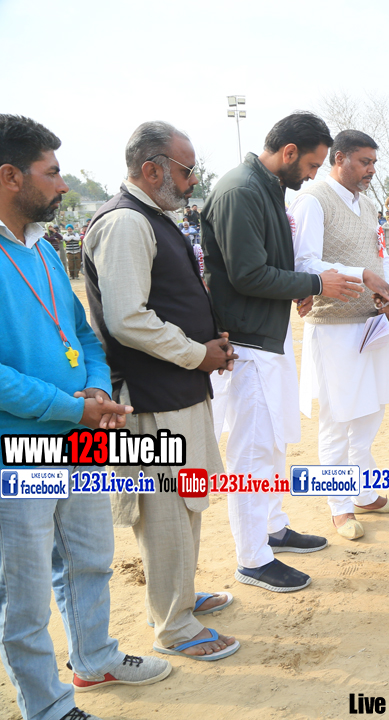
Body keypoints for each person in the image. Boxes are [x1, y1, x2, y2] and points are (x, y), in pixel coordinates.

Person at [0, 113, 172, 720]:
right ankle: (46, 706)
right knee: (23, 594)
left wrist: (95, 389)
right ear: (10, 177)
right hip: (18, 453)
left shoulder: (44, 249)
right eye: (51, 174)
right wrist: (71, 407)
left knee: (90, 558)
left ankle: (94, 657)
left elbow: (83, 335)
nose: (63, 184)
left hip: (79, 438)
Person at [83, 121, 240, 661]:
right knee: (167, 509)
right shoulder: (126, 221)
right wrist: (198, 352)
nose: (193, 180)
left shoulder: (151, 217)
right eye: (186, 169)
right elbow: (127, 319)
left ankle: (180, 597)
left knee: (186, 502)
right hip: (152, 398)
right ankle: (174, 626)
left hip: (178, 389)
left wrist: (206, 344)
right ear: (152, 170)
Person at [203, 112, 363, 593]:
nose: (313, 175)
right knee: (252, 451)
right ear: (289, 152)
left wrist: (299, 286)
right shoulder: (240, 190)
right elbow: (247, 274)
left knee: (272, 443)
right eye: (312, 164)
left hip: (267, 337)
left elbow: (271, 264)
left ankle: (272, 528)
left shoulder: (267, 187)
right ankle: (253, 558)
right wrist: (313, 282)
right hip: (246, 342)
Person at [290, 129, 389, 541]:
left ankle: (364, 494)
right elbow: (304, 262)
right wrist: (362, 276)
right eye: (364, 162)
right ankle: (339, 506)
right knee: (338, 418)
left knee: (369, 413)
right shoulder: (313, 200)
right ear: (338, 159)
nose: (371, 170)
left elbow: (380, 256)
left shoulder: (369, 203)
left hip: (370, 324)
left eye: (373, 162)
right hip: (333, 327)